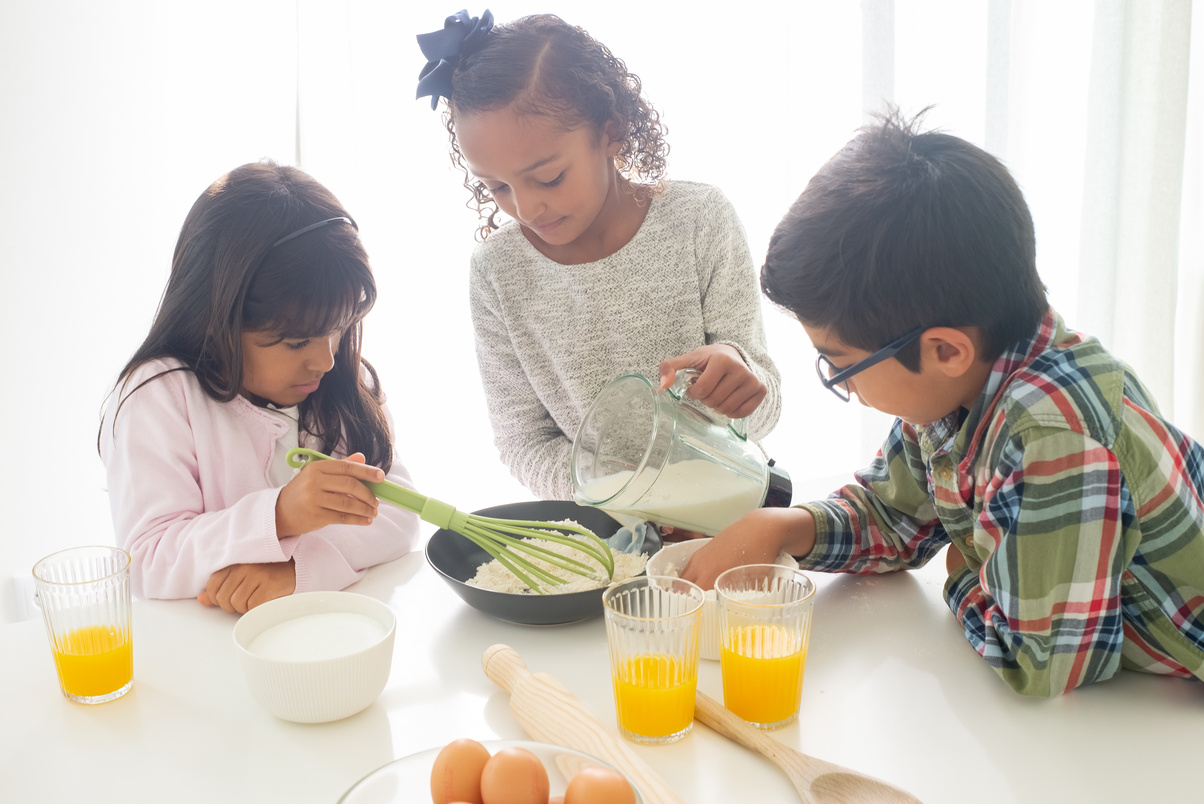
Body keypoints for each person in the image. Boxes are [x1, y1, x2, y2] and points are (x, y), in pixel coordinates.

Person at [682, 109, 1204, 697]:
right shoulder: (953, 391)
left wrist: (962, 572)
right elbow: (895, 514)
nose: (844, 385)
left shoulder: (1055, 437)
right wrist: (784, 525)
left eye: (841, 365)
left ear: (945, 350)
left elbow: (1040, 662)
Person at [415, 10, 782, 502]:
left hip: (726, 506)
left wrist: (739, 375)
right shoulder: (497, 272)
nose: (525, 208)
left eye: (548, 179)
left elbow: (764, 407)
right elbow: (523, 441)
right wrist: (622, 494)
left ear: (612, 132)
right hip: (603, 531)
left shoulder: (700, 219)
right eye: (496, 187)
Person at [99, 161, 420, 614]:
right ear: (217, 321)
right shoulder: (160, 396)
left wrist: (295, 572)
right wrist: (280, 515)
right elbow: (149, 558)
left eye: (340, 328)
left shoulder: (343, 382)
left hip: (329, 636)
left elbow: (398, 515)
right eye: (296, 342)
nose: (325, 359)